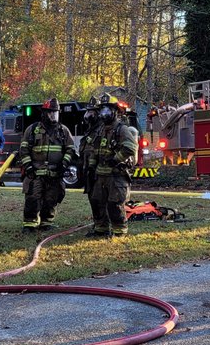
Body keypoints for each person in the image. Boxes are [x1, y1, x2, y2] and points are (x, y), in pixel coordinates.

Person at [84, 94, 138, 238]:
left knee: (114, 204)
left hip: (116, 175)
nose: (104, 113)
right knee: (97, 202)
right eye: (102, 110)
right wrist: (91, 166)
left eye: (108, 110)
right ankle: (101, 230)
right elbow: (95, 150)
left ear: (115, 112)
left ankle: (120, 232)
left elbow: (130, 148)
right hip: (100, 174)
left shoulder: (122, 129)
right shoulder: (101, 130)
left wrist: (116, 159)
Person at [18, 98, 75, 232]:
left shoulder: (63, 131)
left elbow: (70, 149)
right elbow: (24, 149)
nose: (53, 116)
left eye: (55, 113)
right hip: (36, 173)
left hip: (54, 174)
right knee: (32, 198)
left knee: (51, 199)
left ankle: (46, 223)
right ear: (44, 114)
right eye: (50, 113)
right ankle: (29, 224)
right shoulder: (32, 130)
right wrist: (29, 167)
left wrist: (64, 164)